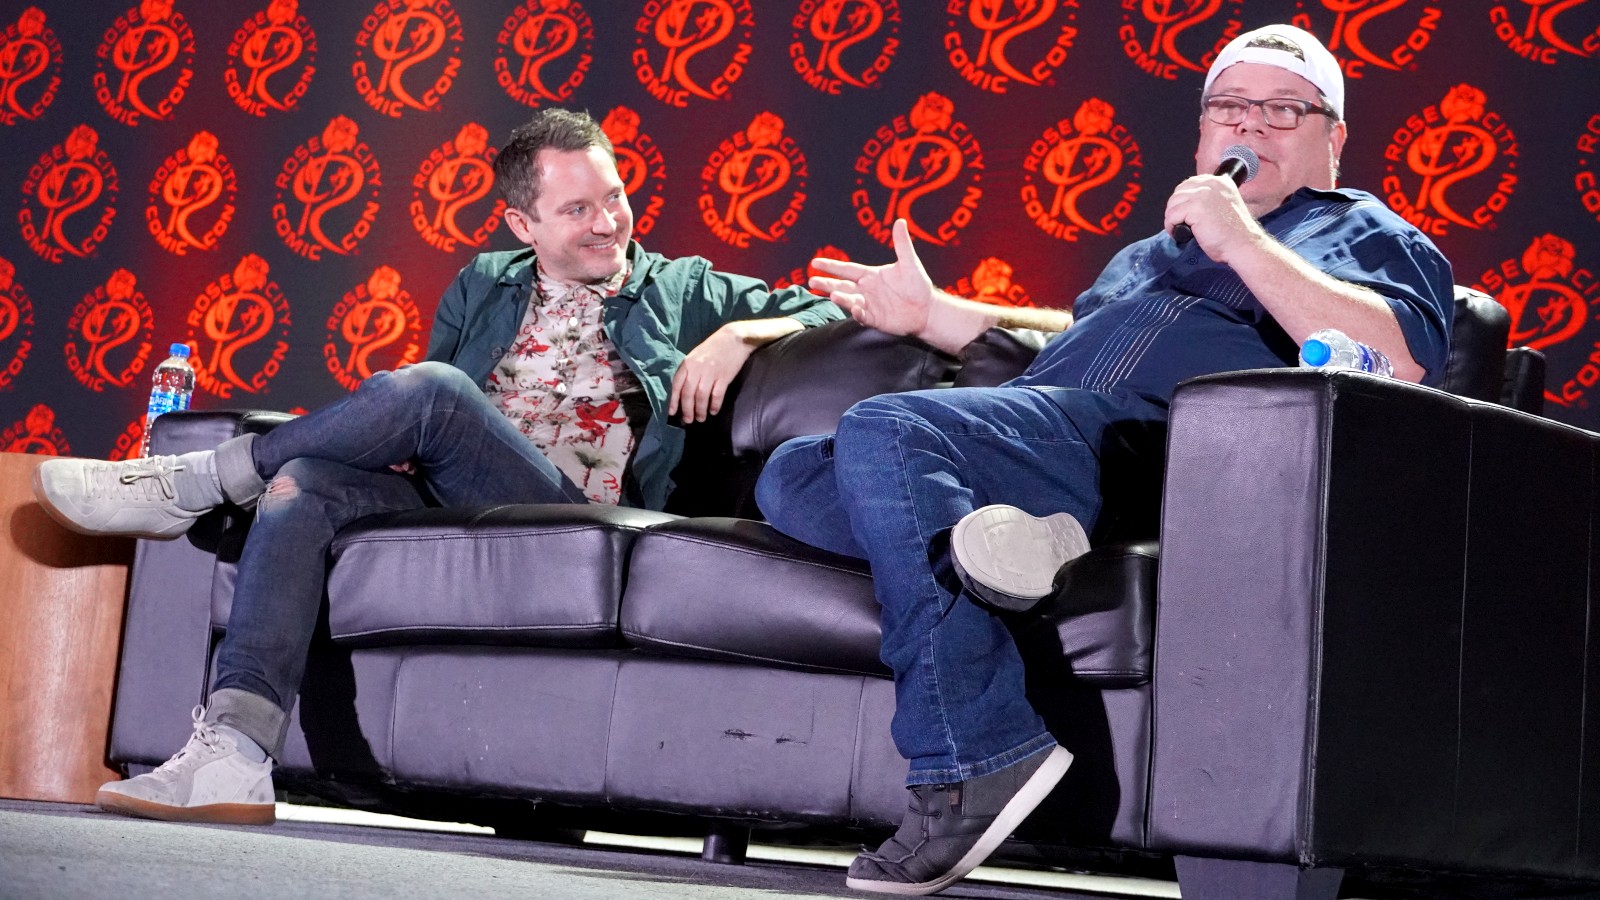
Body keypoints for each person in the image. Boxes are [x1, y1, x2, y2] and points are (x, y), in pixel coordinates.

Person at [754, 24, 1453, 896]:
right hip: (1058, 429)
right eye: (1230, 108)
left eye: (1283, 110)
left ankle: (974, 752)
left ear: (1333, 140)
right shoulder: (1150, 253)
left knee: (890, 430)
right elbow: (1057, 362)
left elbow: (1402, 356)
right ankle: (1013, 541)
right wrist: (937, 317)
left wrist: (1240, 238)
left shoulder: (1363, 232)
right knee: (793, 470)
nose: (1250, 128)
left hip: (1166, 454)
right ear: (1201, 133)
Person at [32, 108, 843, 826]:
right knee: (301, 486)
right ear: (522, 225)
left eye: (615, 196)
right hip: (453, 493)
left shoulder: (682, 288)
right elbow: (421, 437)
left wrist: (741, 334)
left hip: (562, 512)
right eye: (578, 209)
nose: (609, 223)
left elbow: (833, 307)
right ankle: (234, 757)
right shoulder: (484, 283)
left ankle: (197, 481)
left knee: (434, 389)